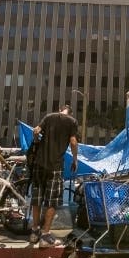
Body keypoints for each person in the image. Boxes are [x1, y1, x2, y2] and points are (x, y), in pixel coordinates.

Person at [27, 103, 79, 247]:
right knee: (52, 200)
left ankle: (34, 231)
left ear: (59, 109)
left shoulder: (49, 117)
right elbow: (73, 142)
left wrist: (37, 141)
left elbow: (36, 131)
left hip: (39, 163)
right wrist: (75, 159)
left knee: (37, 196)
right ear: (70, 113)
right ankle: (45, 235)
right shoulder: (72, 122)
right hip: (55, 166)